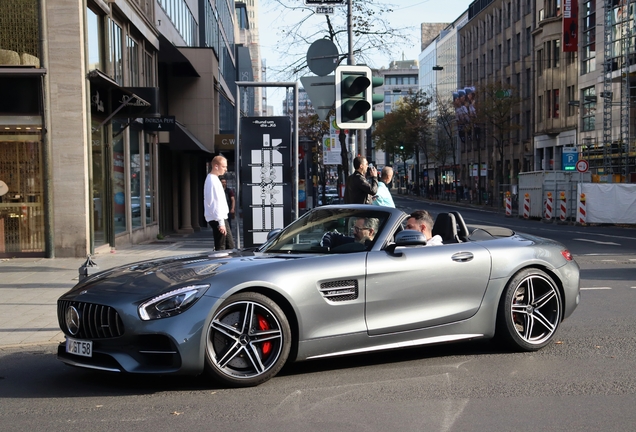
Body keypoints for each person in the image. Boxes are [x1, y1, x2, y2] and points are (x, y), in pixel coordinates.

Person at [204, 155, 235, 250]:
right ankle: (220, 263)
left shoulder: (213, 179)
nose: (226, 169)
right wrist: (221, 223)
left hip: (219, 218)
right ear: (216, 166)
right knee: (223, 247)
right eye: (224, 166)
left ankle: (222, 262)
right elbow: (215, 202)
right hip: (218, 219)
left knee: (226, 246)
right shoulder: (212, 180)